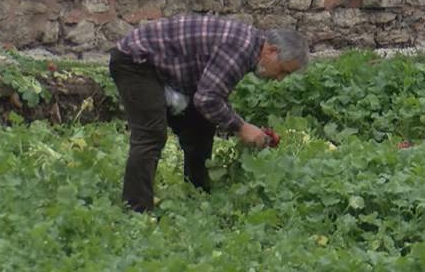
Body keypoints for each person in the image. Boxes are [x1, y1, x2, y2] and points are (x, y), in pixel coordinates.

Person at [109, 14, 309, 212]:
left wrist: (238, 124)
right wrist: (241, 127)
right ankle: (136, 210)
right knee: (151, 135)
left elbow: (210, 96)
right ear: (272, 51)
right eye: (283, 70)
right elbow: (207, 99)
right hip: (136, 60)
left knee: (200, 126)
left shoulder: (250, 47)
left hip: (165, 66)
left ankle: (198, 193)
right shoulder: (240, 49)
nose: (280, 78)